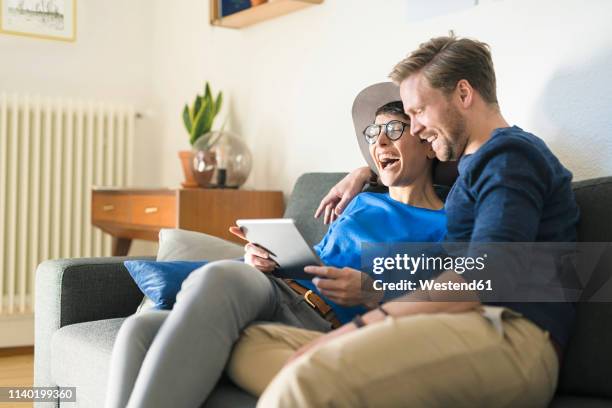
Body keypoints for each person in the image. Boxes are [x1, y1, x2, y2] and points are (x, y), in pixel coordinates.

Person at [227, 34, 579, 408]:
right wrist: (365, 172)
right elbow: (411, 182)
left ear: (463, 94)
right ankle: (340, 383)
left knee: (306, 376)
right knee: (251, 343)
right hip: (454, 329)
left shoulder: (509, 155)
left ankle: (320, 380)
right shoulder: (468, 176)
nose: (415, 128)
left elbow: (488, 272)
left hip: (510, 339)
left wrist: (363, 325)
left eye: (418, 112)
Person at [103, 99, 447, 408]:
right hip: (280, 288)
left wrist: (376, 293)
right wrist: (266, 257)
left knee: (218, 276)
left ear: (430, 144)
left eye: (393, 129)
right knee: (140, 328)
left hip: (319, 321)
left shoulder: (446, 224)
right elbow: (320, 254)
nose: (380, 141)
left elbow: (453, 304)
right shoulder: (362, 199)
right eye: (374, 133)